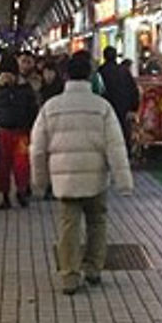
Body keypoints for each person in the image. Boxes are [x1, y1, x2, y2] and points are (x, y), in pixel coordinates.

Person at [31, 50, 134, 295]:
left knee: (69, 226)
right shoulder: (102, 107)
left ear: (65, 75)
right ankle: (93, 269)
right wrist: (124, 183)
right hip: (96, 178)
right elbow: (116, 146)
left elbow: (37, 148)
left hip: (65, 181)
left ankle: (69, 276)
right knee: (97, 222)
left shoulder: (51, 107)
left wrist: (39, 182)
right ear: (90, 76)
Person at [0, 54, 39, 208]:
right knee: (3, 165)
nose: (7, 76)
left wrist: (32, 127)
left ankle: (21, 191)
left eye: (10, 73)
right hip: (2, 131)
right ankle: (5, 196)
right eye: (4, 73)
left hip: (22, 132)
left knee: (22, 163)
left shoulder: (24, 87)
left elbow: (32, 108)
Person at [97, 46, 140, 152]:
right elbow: (133, 88)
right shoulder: (124, 71)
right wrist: (134, 106)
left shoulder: (101, 71)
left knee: (108, 131)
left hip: (107, 105)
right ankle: (125, 151)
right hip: (124, 105)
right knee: (123, 129)